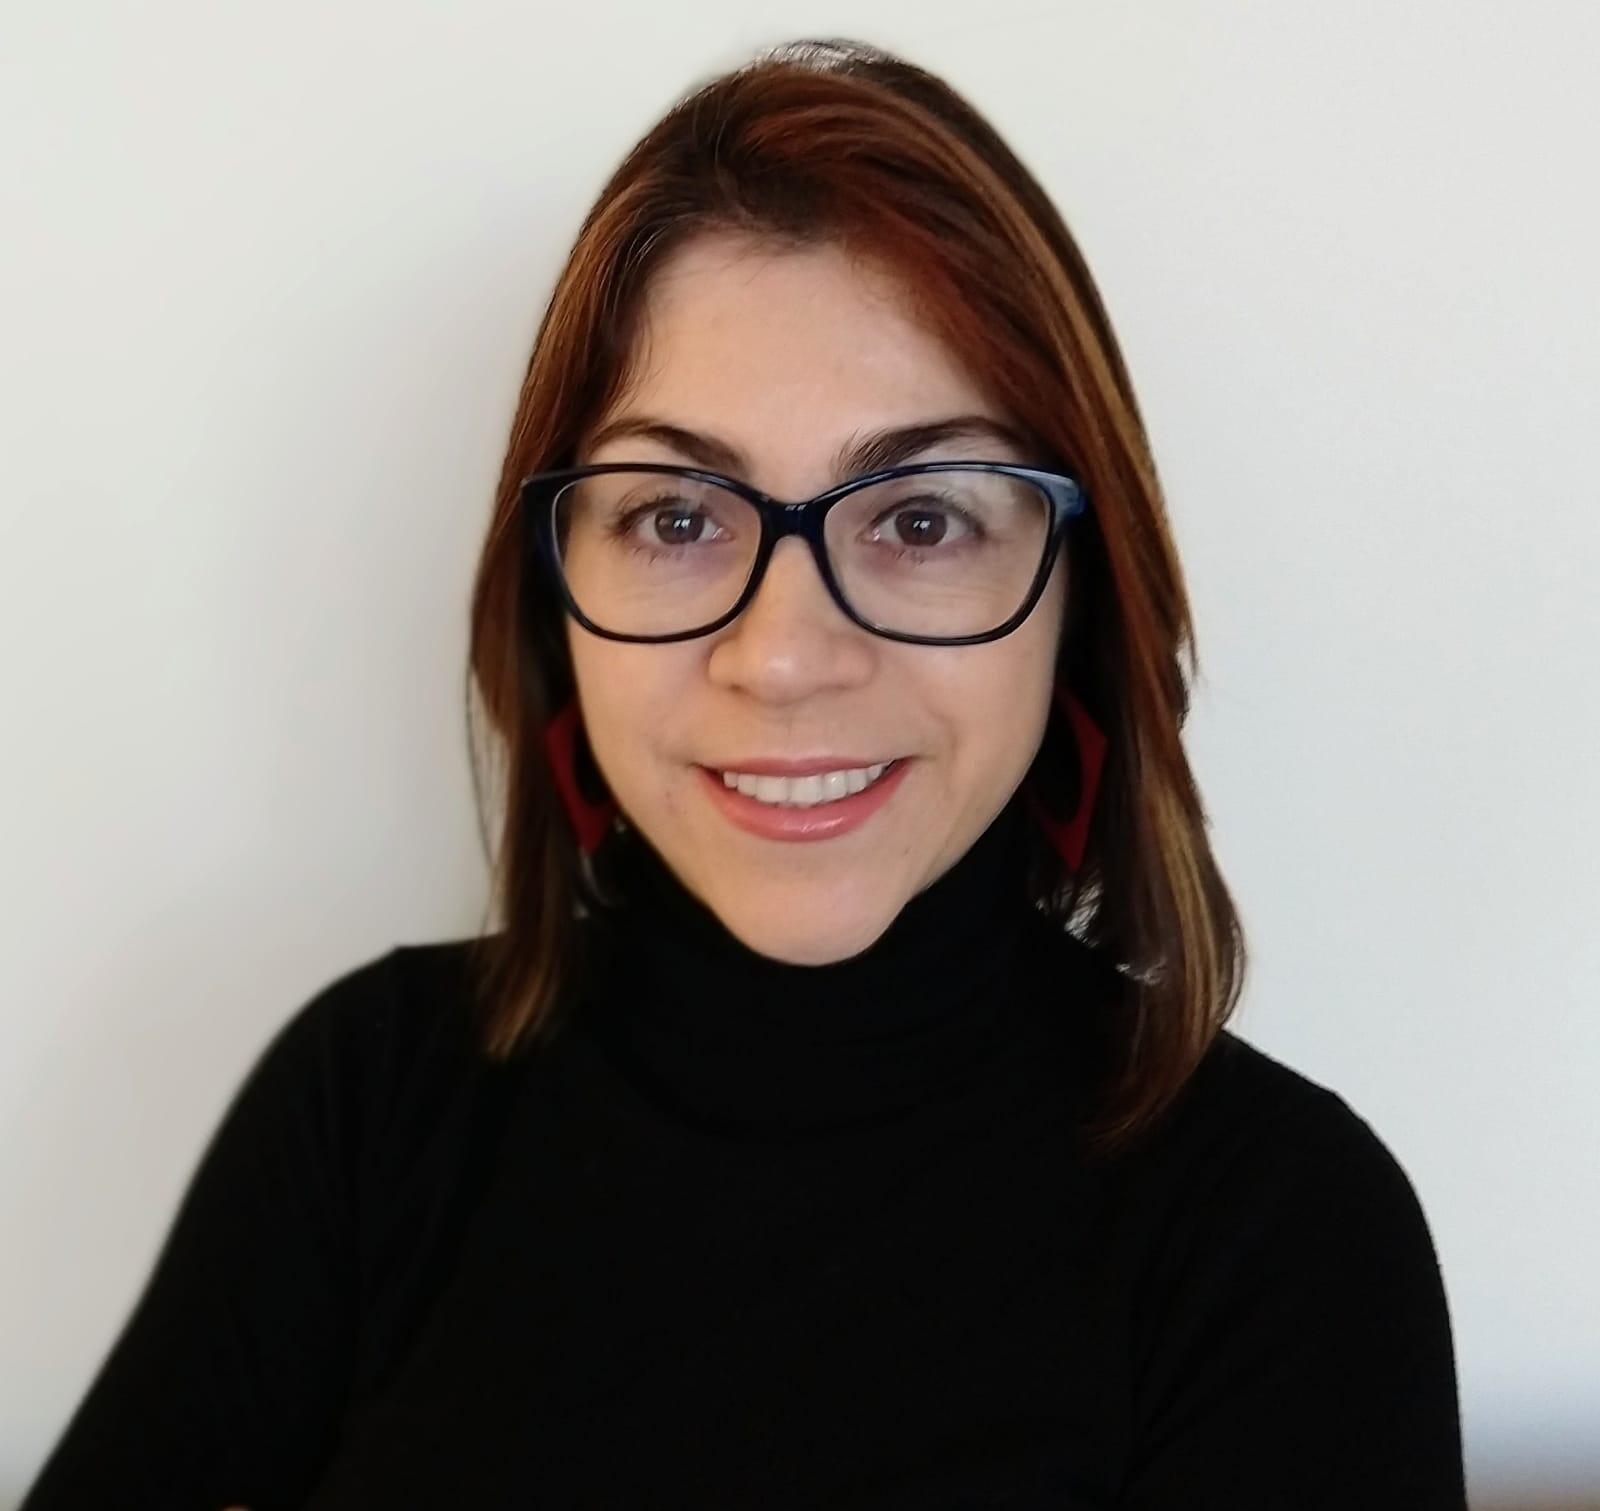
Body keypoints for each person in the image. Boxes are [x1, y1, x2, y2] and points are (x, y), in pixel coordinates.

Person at [20, 37, 1467, 1511]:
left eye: (921, 520)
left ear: (1077, 596)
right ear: (552, 593)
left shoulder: (1277, 1230)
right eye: (674, 519)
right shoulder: (369, 1102)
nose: (782, 658)